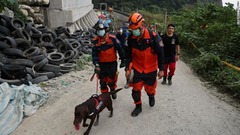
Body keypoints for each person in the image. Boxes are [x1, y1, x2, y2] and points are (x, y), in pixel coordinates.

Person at [125, 13, 165, 117]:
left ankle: (151, 95)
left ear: (142, 25)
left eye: (136, 29)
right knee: (135, 90)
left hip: (151, 69)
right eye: (132, 29)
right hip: (137, 68)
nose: (134, 31)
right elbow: (128, 54)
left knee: (150, 89)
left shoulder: (153, 37)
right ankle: (138, 107)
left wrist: (161, 69)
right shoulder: (131, 38)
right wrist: (127, 68)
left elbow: (161, 53)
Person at [92, 19, 125, 99]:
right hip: (101, 64)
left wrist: (123, 60)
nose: (100, 32)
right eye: (99, 30)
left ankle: (113, 89)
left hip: (112, 64)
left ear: (106, 30)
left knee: (111, 81)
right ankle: (105, 96)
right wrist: (96, 64)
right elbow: (94, 54)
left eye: (102, 30)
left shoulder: (113, 39)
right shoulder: (95, 41)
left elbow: (120, 49)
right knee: (102, 82)